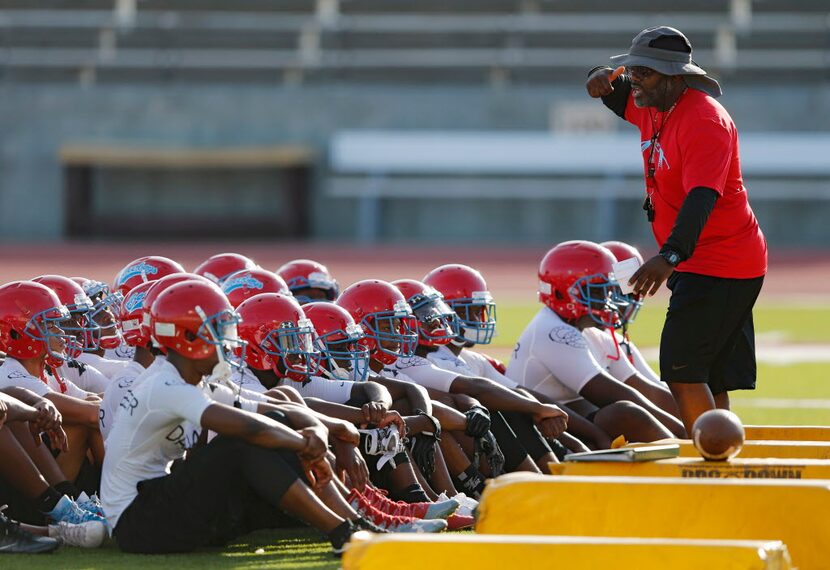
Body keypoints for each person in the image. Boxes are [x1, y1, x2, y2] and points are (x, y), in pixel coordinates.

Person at [100, 279, 397, 555]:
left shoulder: (194, 381)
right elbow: (248, 428)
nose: (228, 342)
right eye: (220, 330)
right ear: (187, 336)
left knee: (275, 426)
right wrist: (303, 444)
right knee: (243, 443)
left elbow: (276, 410)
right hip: (137, 522)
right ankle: (344, 533)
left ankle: (356, 520)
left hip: (162, 507)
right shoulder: (163, 385)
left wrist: (317, 430)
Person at [586, 26, 767, 432]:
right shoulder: (653, 102)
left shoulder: (705, 120)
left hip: (721, 261)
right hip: (706, 261)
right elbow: (612, 95)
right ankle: (721, 464)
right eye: (631, 72)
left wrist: (669, 255)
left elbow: (702, 198)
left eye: (643, 74)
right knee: (711, 376)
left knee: (683, 372)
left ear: (673, 76)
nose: (633, 81)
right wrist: (598, 76)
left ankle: (707, 468)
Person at [506, 241, 685, 443]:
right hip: (537, 434)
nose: (608, 300)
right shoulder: (553, 331)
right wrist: (682, 435)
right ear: (562, 291)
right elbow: (614, 394)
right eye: (598, 291)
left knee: (629, 411)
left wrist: (696, 418)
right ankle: (682, 455)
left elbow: (646, 389)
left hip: (570, 424)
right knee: (623, 413)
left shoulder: (592, 333)